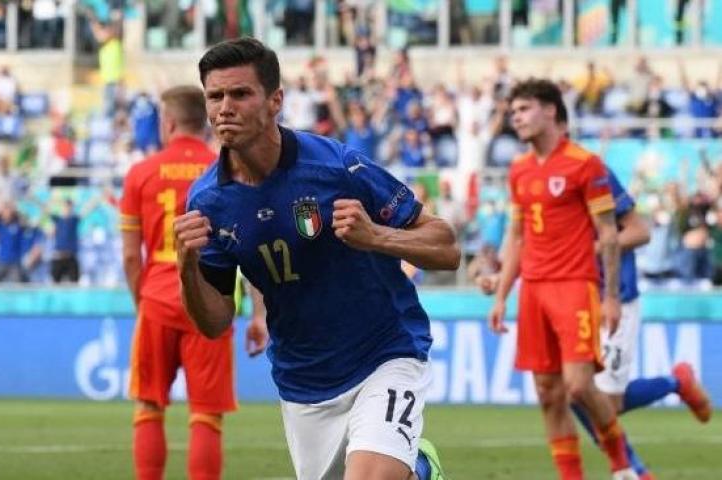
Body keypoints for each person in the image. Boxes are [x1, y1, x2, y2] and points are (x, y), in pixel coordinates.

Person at [173, 38, 459, 480]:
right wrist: (186, 267)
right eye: (215, 96)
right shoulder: (208, 201)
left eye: (240, 94)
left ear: (275, 101)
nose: (225, 107)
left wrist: (376, 236)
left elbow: (446, 246)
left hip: (384, 352)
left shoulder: (336, 167)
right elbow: (213, 322)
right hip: (303, 381)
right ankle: (418, 470)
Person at [479, 168, 713, 480]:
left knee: (605, 402)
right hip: (571, 302)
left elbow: (640, 232)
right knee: (572, 390)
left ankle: (676, 383)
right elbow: (535, 248)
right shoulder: (536, 185)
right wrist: (500, 279)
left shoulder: (592, 173)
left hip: (613, 300)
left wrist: (589, 250)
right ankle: (634, 471)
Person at [487, 78, 638, 480]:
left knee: (578, 386)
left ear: (550, 110)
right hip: (533, 290)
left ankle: (622, 466)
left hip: (574, 285)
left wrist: (611, 299)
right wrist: (502, 295)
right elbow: (517, 235)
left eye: (523, 109)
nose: (515, 118)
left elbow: (608, 233)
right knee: (547, 394)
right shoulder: (519, 171)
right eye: (513, 112)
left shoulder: (585, 164)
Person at [119, 85, 267, 480]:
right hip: (211, 298)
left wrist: (143, 303)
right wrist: (259, 314)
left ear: (167, 123)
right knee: (206, 415)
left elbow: (133, 256)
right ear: (203, 122)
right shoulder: (230, 171)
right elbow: (252, 250)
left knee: (149, 406)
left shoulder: (140, 174)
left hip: (157, 301)